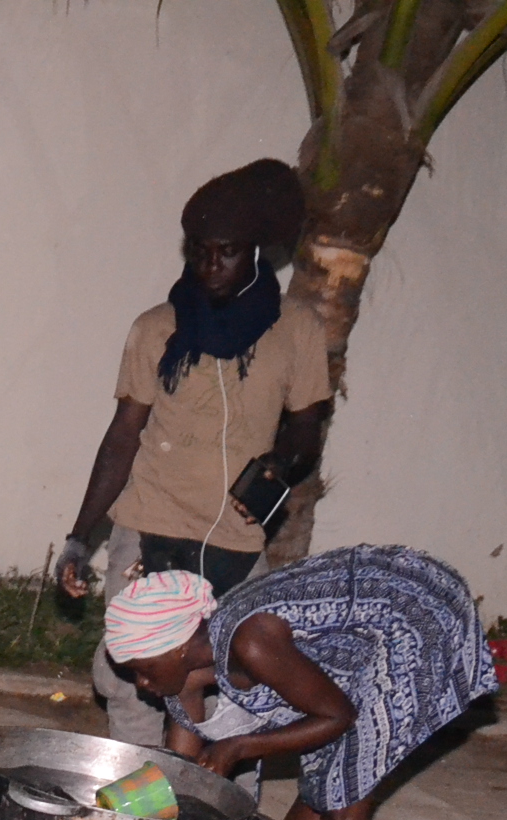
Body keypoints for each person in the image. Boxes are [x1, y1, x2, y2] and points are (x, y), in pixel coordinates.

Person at [57, 159, 334, 745]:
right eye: (200, 251)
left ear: (256, 252)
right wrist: (81, 537)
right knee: (130, 679)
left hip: (233, 534)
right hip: (148, 523)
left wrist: (280, 467)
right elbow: (122, 436)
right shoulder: (157, 329)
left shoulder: (296, 331)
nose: (211, 266)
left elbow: (308, 424)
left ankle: (214, 808)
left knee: (240, 682)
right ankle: (132, 813)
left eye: (227, 252)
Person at [102, 547, 497, 820]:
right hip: (368, 626)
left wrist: (238, 746)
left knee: (348, 785)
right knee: (326, 770)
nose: (141, 683)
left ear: (180, 646)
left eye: (144, 669)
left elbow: (336, 716)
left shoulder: (252, 641)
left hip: (418, 608)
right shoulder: (185, 673)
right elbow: (183, 774)